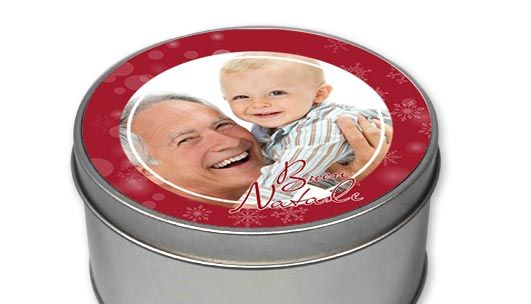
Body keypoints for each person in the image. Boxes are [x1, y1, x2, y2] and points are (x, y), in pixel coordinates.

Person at [119, 93, 392, 207]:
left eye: (223, 124)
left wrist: (374, 183)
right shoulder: (181, 234)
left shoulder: (297, 152)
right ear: (148, 174)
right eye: (187, 140)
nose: (228, 142)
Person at [219, 52, 392, 205]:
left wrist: (243, 212)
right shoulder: (267, 126)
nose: (258, 104)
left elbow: (281, 181)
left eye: (277, 93)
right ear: (226, 99)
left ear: (319, 94)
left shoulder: (323, 126)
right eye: (241, 96)